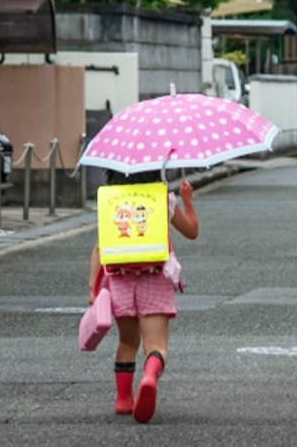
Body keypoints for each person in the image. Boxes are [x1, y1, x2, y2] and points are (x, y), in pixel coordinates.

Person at [87, 170, 199, 423]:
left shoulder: (110, 201)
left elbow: (99, 247)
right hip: (154, 277)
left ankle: (123, 398)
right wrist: (187, 200)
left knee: (127, 342)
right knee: (156, 345)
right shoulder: (163, 199)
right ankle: (149, 375)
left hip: (120, 279)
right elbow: (192, 231)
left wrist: (92, 288)